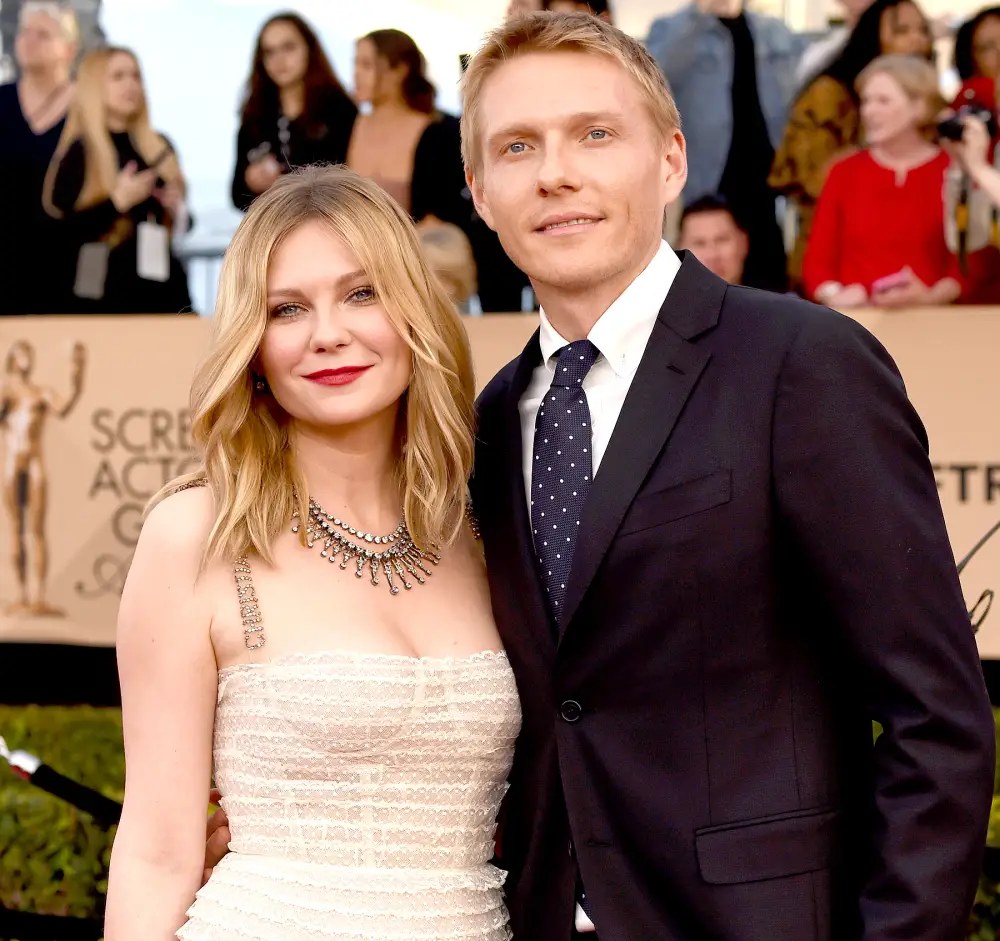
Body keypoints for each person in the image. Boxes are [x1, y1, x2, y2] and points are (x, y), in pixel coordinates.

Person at [204, 11, 995, 941]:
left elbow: (935, 718)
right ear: (480, 193)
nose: (555, 173)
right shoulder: (484, 426)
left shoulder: (800, 365)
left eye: (594, 133)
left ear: (670, 160)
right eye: (517, 146)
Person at [105, 166, 521, 940]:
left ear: (414, 312)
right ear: (253, 349)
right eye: (286, 309)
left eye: (361, 293)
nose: (327, 332)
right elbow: (158, 851)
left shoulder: (487, 529)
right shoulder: (197, 534)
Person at [770, 0, 933, 290]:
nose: (916, 40)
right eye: (902, 30)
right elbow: (809, 180)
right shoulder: (828, 95)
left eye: (923, 30)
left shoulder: (933, 113)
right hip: (838, 274)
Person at [646, 0, 806, 293]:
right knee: (699, 281)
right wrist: (699, 15)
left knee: (766, 284)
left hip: (765, 180)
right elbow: (654, 73)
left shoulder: (774, 31)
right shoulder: (673, 28)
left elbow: (801, 83)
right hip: (704, 181)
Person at [803, 55, 963, 307]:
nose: (869, 111)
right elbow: (817, 263)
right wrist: (835, 296)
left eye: (883, 101)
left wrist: (929, 298)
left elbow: (969, 264)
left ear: (918, 106)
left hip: (933, 322)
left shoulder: (952, 169)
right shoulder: (844, 172)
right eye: (866, 101)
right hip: (856, 324)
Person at [42, 47, 192, 314]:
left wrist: (176, 211)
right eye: (118, 76)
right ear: (94, 85)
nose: (131, 85)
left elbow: (185, 225)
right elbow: (57, 237)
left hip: (164, 295)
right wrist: (115, 203)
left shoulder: (159, 147)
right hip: (99, 300)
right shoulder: (79, 154)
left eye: (136, 76)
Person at [231, 12, 358, 212]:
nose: (279, 60)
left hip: (330, 227)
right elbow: (237, 196)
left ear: (309, 49)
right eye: (269, 52)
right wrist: (251, 182)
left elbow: (353, 182)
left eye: (288, 47)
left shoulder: (340, 110)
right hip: (273, 230)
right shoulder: (255, 117)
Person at [0, 1, 78, 315]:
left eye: (42, 34)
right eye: (24, 32)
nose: (29, 40)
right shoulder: (2, 100)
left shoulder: (86, 109)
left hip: (67, 261)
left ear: (68, 49)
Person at [0, 340, 85, 616]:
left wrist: (77, 374)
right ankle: (23, 594)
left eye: (29, 353)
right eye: (20, 353)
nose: (25, 358)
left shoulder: (40, 394)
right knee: (15, 528)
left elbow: (64, 407)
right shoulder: (6, 395)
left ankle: (38, 596)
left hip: (34, 464)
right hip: (13, 465)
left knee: (36, 530)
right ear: (12, 360)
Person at [676, 194, 749, 284]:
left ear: (744, 243)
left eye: (722, 240)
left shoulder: (768, 297)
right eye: (699, 243)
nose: (712, 255)